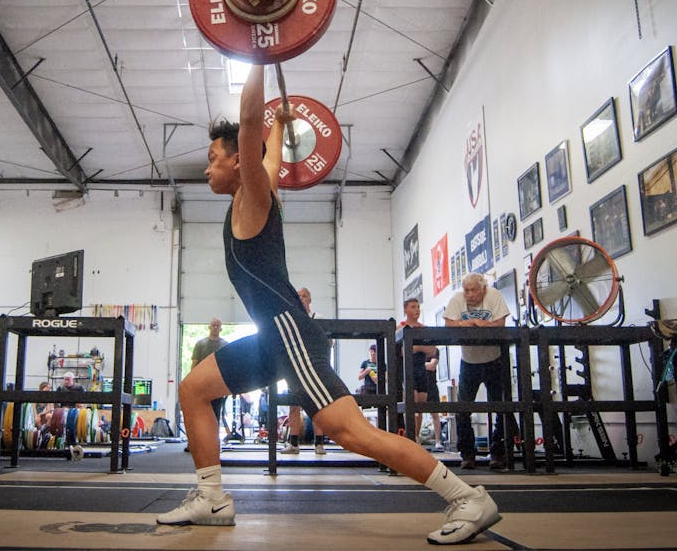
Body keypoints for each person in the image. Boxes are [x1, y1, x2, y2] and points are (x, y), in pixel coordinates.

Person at [158, 64, 500, 545]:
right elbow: (269, 148)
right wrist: (281, 122)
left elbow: (252, 129)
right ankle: (211, 497)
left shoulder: (254, 194)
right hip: (269, 338)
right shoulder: (259, 187)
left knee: (349, 432)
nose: (207, 166)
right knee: (194, 389)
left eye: (214, 157)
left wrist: (257, 52)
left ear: (239, 163)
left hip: (291, 335)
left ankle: (467, 497)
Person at [443, 273, 516, 470]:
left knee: (500, 407)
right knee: (463, 408)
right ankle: (468, 454)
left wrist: (485, 324)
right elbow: (448, 324)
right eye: (466, 290)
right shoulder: (457, 299)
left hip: (494, 359)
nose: (470, 294)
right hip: (469, 361)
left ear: (483, 289)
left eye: (474, 290)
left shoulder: (493, 296)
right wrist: (463, 323)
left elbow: (500, 324)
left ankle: (498, 453)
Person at [282, 287, 327, 456]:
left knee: (318, 406)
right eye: (299, 296)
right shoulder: (291, 319)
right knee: (294, 406)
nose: (301, 298)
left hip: (315, 368)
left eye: (304, 296)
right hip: (295, 368)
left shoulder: (319, 318)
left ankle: (319, 444)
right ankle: (293, 443)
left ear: (310, 299)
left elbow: (328, 342)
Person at [400, 298, 443, 451]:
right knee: (411, 402)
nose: (417, 310)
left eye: (418, 307)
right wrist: (419, 347)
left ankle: (416, 437)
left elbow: (432, 350)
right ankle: (410, 436)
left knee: (421, 405)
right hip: (407, 369)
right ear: (405, 310)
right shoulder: (401, 328)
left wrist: (417, 347)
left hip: (420, 368)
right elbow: (403, 351)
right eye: (413, 307)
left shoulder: (423, 329)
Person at [185, 318, 229, 451]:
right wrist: (190, 382)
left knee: (215, 415)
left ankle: (213, 444)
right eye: (213, 325)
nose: (215, 327)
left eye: (217, 326)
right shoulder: (200, 344)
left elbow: (227, 366)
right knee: (198, 415)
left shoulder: (225, 345)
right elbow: (195, 364)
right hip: (201, 384)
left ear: (220, 329)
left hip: (216, 386)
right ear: (209, 327)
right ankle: (194, 443)